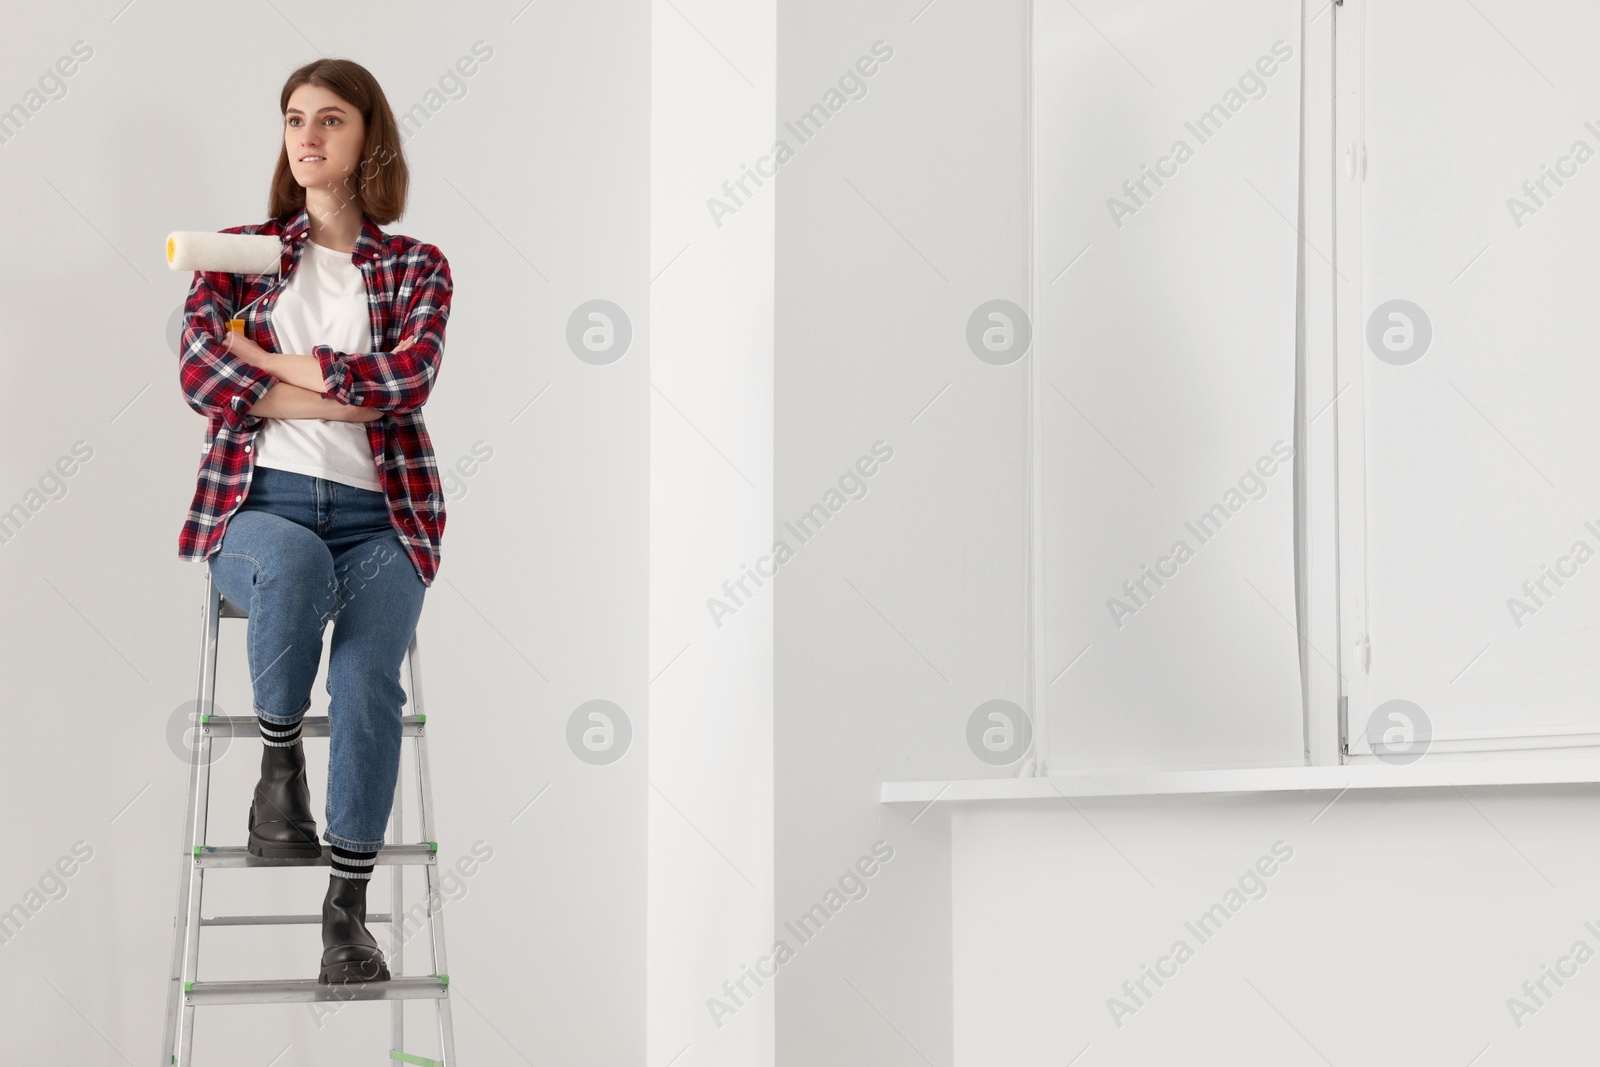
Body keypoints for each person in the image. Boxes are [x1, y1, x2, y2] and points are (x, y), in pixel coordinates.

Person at [175, 57, 453, 985]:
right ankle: (280, 769)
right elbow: (203, 379)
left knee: (372, 681)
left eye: (331, 119)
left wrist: (270, 362)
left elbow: (405, 382)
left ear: (369, 137)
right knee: (293, 570)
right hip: (262, 509)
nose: (307, 136)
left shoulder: (417, 266)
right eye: (295, 118)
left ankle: (347, 912)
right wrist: (338, 396)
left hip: (382, 520)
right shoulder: (237, 252)